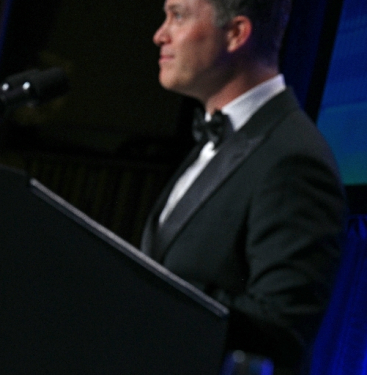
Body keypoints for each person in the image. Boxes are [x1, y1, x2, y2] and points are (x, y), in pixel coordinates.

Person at [141, 0, 346, 373]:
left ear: (236, 33)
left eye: (179, 15)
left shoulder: (295, 159)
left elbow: (280, 329)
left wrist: (144, 297)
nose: (160, 34)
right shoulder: (216, 141)